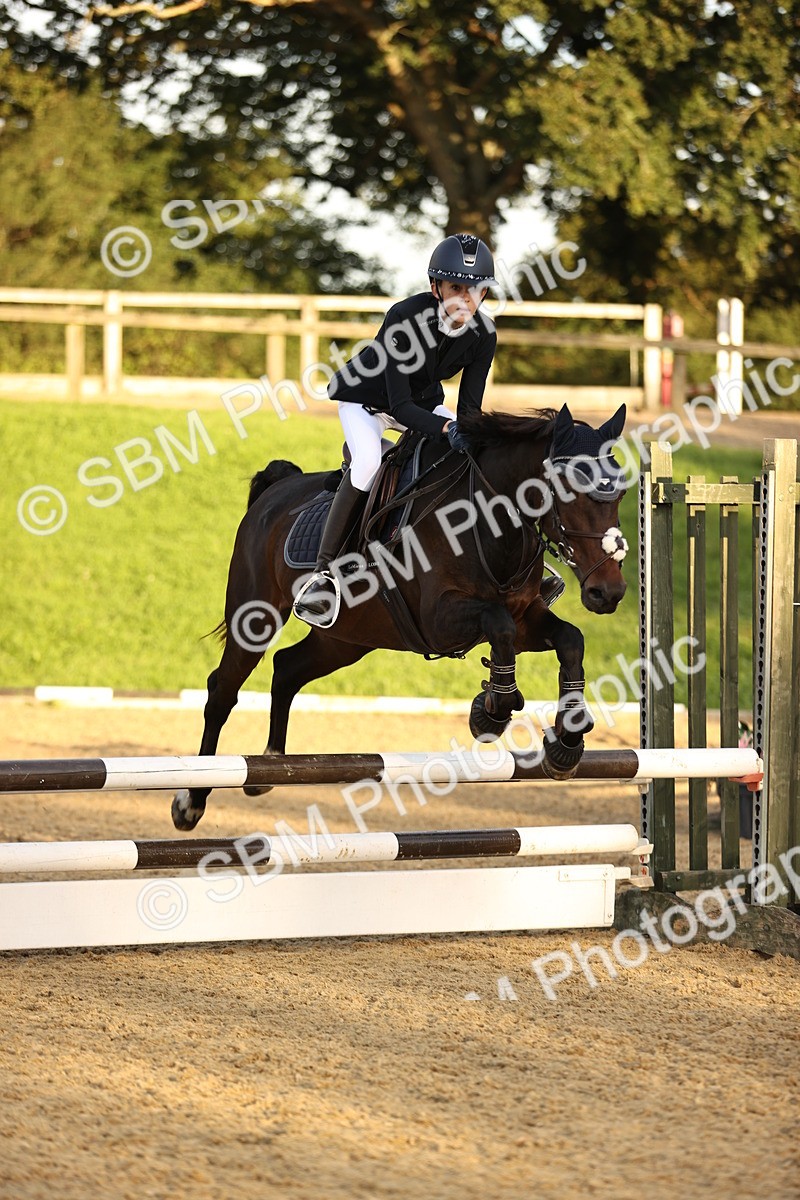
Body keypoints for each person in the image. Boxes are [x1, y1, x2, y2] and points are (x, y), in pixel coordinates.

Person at [293, 232, 498, 626]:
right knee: (369, 463)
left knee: (467, 454)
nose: (466, 299)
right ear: (435, 287)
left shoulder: (484, 335)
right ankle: (322, 574)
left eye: (476, 290)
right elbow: (398, 405)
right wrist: (445, 429)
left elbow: (469, 410)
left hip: (418, 404)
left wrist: (472, 434)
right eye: (456, 287)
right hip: (367, 402)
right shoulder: (404, 317)